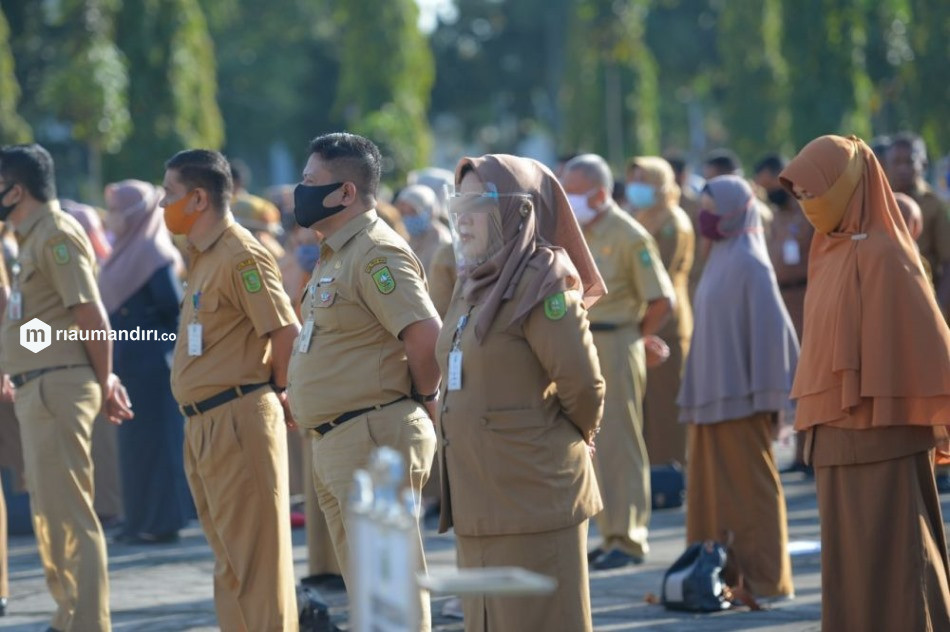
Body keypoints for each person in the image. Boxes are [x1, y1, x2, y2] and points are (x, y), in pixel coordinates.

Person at [779, 134, 950, 630]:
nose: (807, 203)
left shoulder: (888, 255)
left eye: (815, 191)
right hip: (834, 439)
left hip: (887, 434)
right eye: (801, 195)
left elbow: (929, 345)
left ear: (846, 186)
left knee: (901, 559)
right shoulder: (825, 251)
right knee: (849, 563)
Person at [436, 154, 606, 631]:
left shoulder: (543, 283)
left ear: (521, 210)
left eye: (479, 203)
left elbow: (583, 384)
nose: (463, 217)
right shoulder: (473, 282)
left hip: (532, 496)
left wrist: (572, 436)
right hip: (479, 497)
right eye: (459, 202)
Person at [286, 132, 440, 631]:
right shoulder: (336, 253)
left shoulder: (376, 253)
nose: (299, 191)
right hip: (343, 438)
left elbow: (424, 337)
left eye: (311, 182)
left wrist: (422, 398)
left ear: (345, 193)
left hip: (371, 436)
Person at [162, 149, 300, 631]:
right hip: (205, 421)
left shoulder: (240, 253)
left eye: (170, 194)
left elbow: (285, 332)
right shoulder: (203, 256)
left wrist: (281, 391)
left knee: (257, 566)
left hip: (239, 416)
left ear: (198, 198)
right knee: (230, 563)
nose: (163, 205)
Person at [0, 143, 133, 632]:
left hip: (60, 387)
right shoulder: (28, 238)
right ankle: (68, 616)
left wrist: (106, 379)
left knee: (72, 516)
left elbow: (89, 314)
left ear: (16, 189)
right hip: (39, 387)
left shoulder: (55, 234)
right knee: (50, 517)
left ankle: (87, 623)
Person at [677, 175, 798, 601]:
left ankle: (767, 578)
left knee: (753, 493)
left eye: (711, 208)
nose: (703, 216)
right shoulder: (719, 256)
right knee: (710, 497)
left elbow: (773, 338)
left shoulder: (751, 263)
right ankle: (719, 577)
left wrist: (769, 402)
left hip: (742, 403)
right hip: (710, 401)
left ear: (732, 213)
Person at [562, 153, 675, 570]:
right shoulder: (577, 231)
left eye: (572, 193)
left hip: (618, 340)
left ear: (599, 193)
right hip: (583, 341)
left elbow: (663, 299)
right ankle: (608, 532)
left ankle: (628, 538)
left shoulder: (629, 234)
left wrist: (640, 336)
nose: (567, 201)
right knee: (591, 444)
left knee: (620, 442)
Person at [100, 179, 192, 544]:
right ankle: (137, 518)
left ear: (135, 214)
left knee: (157, 445)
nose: (111, 218)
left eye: (117, 210)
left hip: (152, 365)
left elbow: (172, 308)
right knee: (133, 445)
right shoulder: (123, 251)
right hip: (128, 364)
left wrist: (149, 339)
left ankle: (162, 522)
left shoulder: (153, 252)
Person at [626, 156, 694, 466]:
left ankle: (673, 469)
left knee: (667, 402)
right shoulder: (645, 216)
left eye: (643, 179)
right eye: (634, 178)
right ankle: (656, 470)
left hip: (666, 319)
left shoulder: (672, 221)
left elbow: (658, 274)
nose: (635, 186)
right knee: (650, 404)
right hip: (645, 319)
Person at [885, 133, 950, 317]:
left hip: (925, 297)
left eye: (908, 162)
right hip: (888, 302)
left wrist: (940, 308)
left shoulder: (933, 205)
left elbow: (948, 262)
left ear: (923, 165)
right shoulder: (879, 203)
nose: (902, 168)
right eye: (896, 162)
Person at [395, 184, 452, 272]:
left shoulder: (440, 237)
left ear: (428, 210)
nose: (408, 218)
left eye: (413, 212)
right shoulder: (404, 236)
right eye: (403, 213)